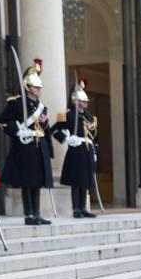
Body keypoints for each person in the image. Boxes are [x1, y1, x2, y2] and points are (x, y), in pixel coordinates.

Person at [0, 58, 53, 225]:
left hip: (39, 146)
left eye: (39, 87)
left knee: (37, 182)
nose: (38, 90)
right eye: (36, 87)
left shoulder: (42, 107)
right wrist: (17, 131)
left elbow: (47, 130)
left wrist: (49, 150)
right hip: (25, 147)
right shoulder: (16, 103)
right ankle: (29, 214)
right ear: (28, 87)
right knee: (27, 182)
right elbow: (2, 121)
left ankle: (36, 213)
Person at [53, 78, 98, 218]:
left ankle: (83, 207)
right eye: (82, 102)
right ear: (76, 101)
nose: (84, 104)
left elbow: (94, 136)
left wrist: (95, 150)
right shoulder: (68, 115)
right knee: (76, 181)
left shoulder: (90, 117)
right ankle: (76, 209)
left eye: (85, 102)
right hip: (75, 149)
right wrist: (66, 139)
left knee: (85, 181)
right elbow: (54, 130)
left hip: (87, 150)